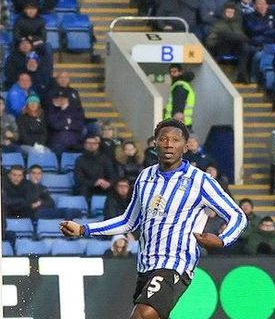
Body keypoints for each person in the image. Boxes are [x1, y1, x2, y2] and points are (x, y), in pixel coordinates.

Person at [59, 119, 247, 319]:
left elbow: (237, 215)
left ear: (185, 147)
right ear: (154, 144)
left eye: (175, 140)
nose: (169, 144)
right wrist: (83, 230)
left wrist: (222, 239)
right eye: (163, 139)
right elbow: (128, 221)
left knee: (142, 316)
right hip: (145, 265)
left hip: (175, 263)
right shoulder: (145, 177)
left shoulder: (200, 181)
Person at [164, 64, 196, 129]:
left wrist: (176, 124)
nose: (172, 74)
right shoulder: (185, 85)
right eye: (170, 72)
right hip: (184, 123)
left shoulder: (179, 86)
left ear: (180, 72)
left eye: (174, 72)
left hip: (178, 124)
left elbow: (179, 105)